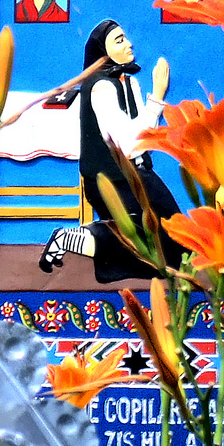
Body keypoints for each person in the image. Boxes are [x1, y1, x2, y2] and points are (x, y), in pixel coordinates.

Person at [37, 20, 185, 281]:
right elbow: (126, 146)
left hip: (138, 174)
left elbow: (143, 135)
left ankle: (95, 237)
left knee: (177, 244)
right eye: (118, 41)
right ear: (103, 53)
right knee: (153, 248)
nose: (129, 44)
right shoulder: (101, 87)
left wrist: (154, 103)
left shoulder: (128, 83)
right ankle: (78, 238)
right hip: (111, 180)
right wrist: (158, 98)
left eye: (125, 38)